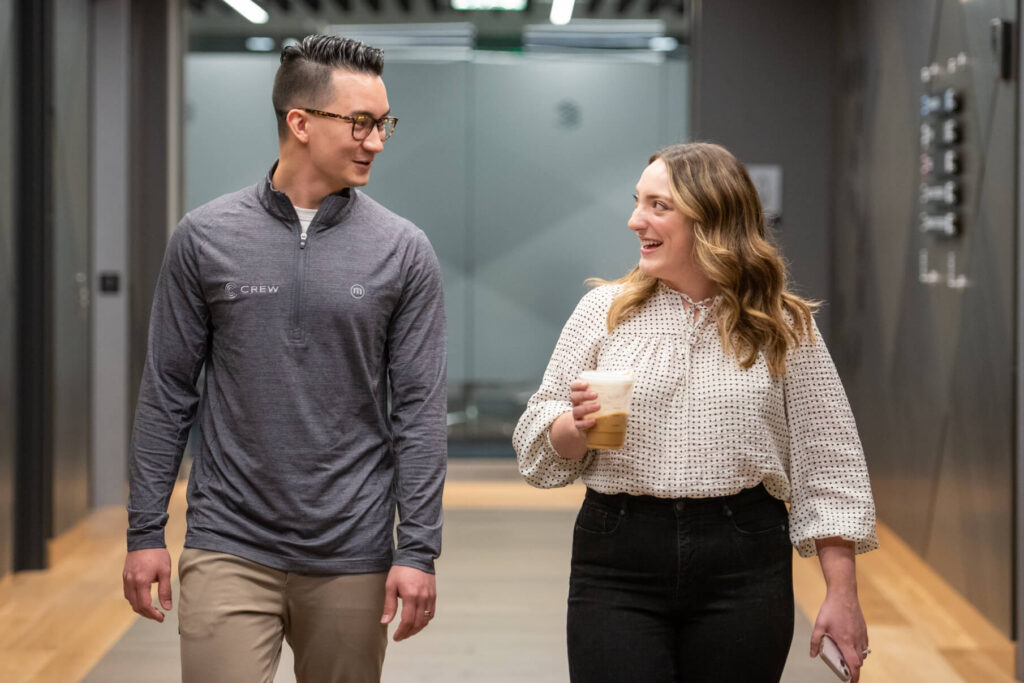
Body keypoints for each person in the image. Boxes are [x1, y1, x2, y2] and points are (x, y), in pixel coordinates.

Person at [121, 35, 447, 683]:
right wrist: (145, 531)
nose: (376, 140)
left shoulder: (403, 251)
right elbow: (168, 391)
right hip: (227, 542)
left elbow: (419, 411)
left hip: (353, 549)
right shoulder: (205, 238)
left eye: (384, 123)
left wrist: (418, 548)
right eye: (361, 122)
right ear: (299, 122)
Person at [513, 142, 877, 683]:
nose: (636, 220)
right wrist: (573, 426)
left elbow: (829, 464)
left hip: (745, 560)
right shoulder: (603, 312)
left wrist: (842, 594)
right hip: (618, 555)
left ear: (714, 221)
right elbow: (537, 447)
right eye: (639, 201)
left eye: (659, 206)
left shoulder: (782, 323)